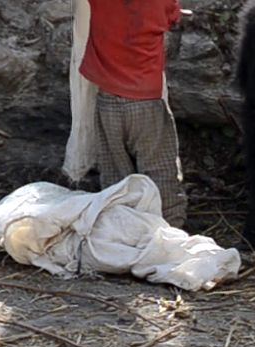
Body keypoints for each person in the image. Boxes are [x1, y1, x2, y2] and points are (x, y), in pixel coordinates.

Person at [79, 0, 188, 227]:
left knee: (115, 176)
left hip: (107, 101)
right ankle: (170, 229)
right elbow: (172, 16)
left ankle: (120, 230)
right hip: (146, 101)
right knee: (159, 172)